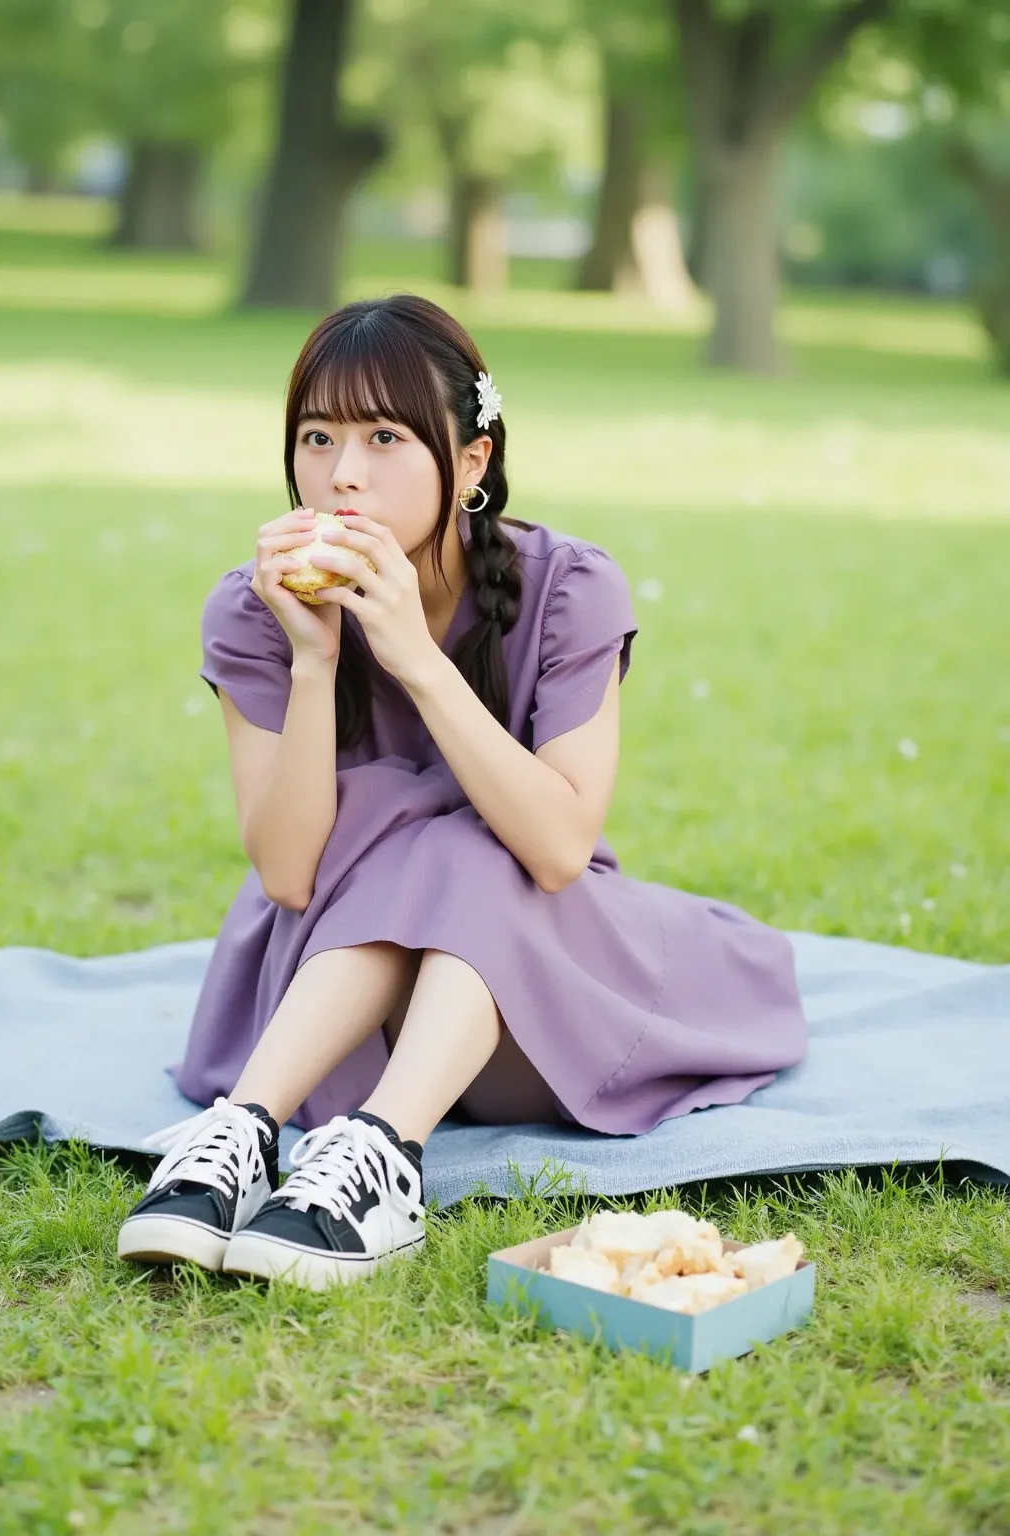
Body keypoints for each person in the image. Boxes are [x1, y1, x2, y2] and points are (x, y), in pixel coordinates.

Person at [117, 294, 807, 1290]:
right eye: (317, 436)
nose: (341, 472)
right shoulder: (256, 607)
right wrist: (316, 665)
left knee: (460, 836)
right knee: (410, 825)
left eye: (384, 436)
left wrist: (417, 662)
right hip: (338, 1007)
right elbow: (286, 873)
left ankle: (383, 1156)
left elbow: (560, 847)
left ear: (472, 461)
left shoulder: (567, 588)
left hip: (534, 991)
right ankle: (239, 1135)